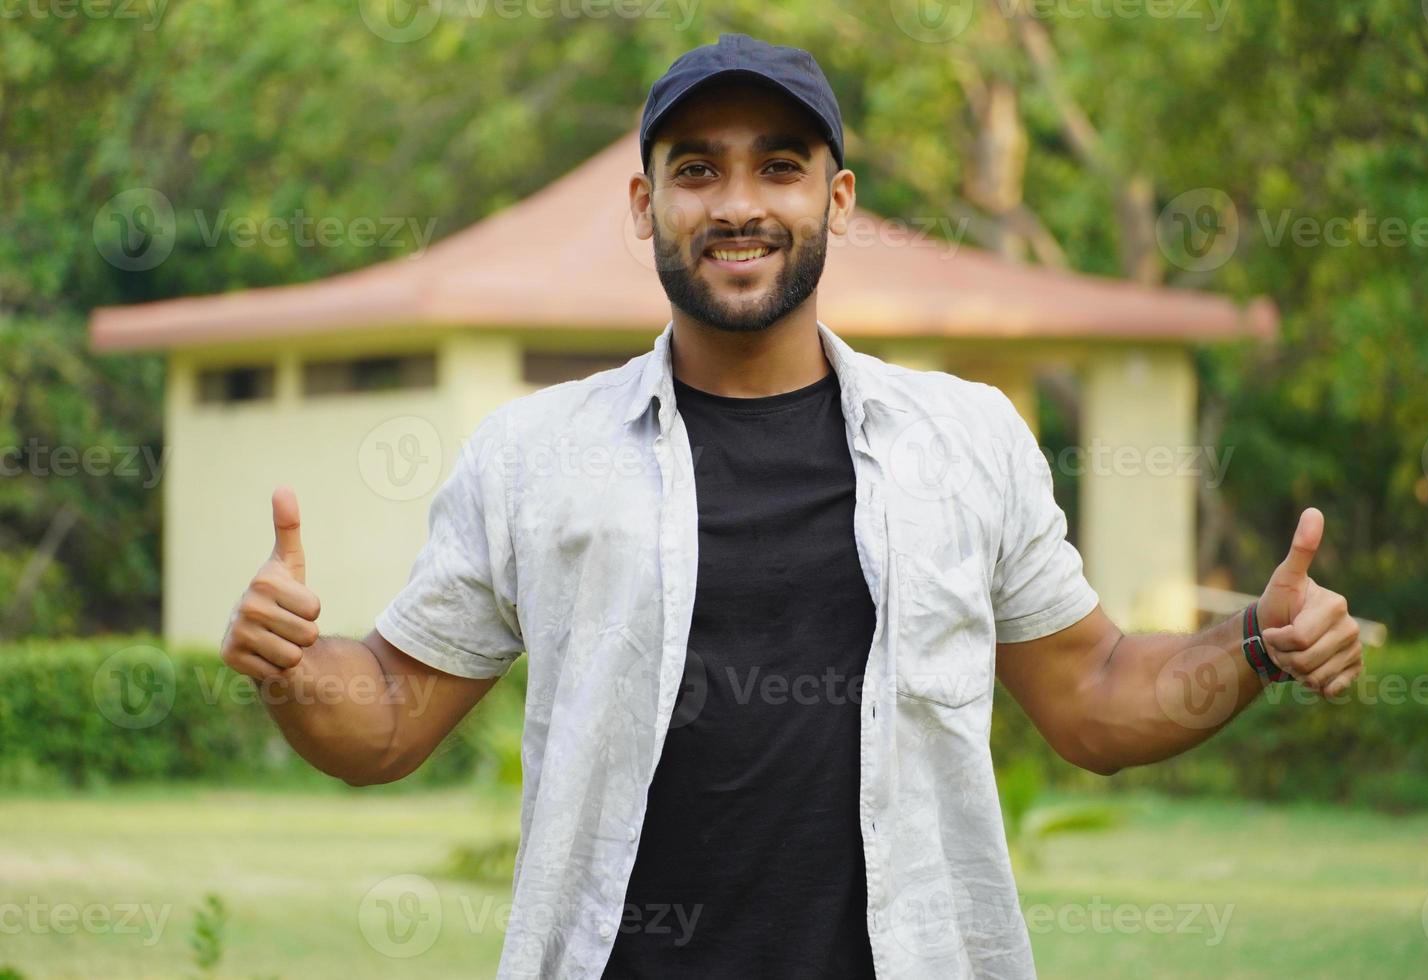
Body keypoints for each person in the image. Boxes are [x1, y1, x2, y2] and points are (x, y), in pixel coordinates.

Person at [218, 33, 1365, 980]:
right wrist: (293, 662)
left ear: (838, 197)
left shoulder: (964, 441)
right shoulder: (535, 455)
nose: (739, 204)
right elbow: (386, 716)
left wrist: (1255, 642)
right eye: (698, 169)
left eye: (779, 165)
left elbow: (1097, 695)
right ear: (645, 200)